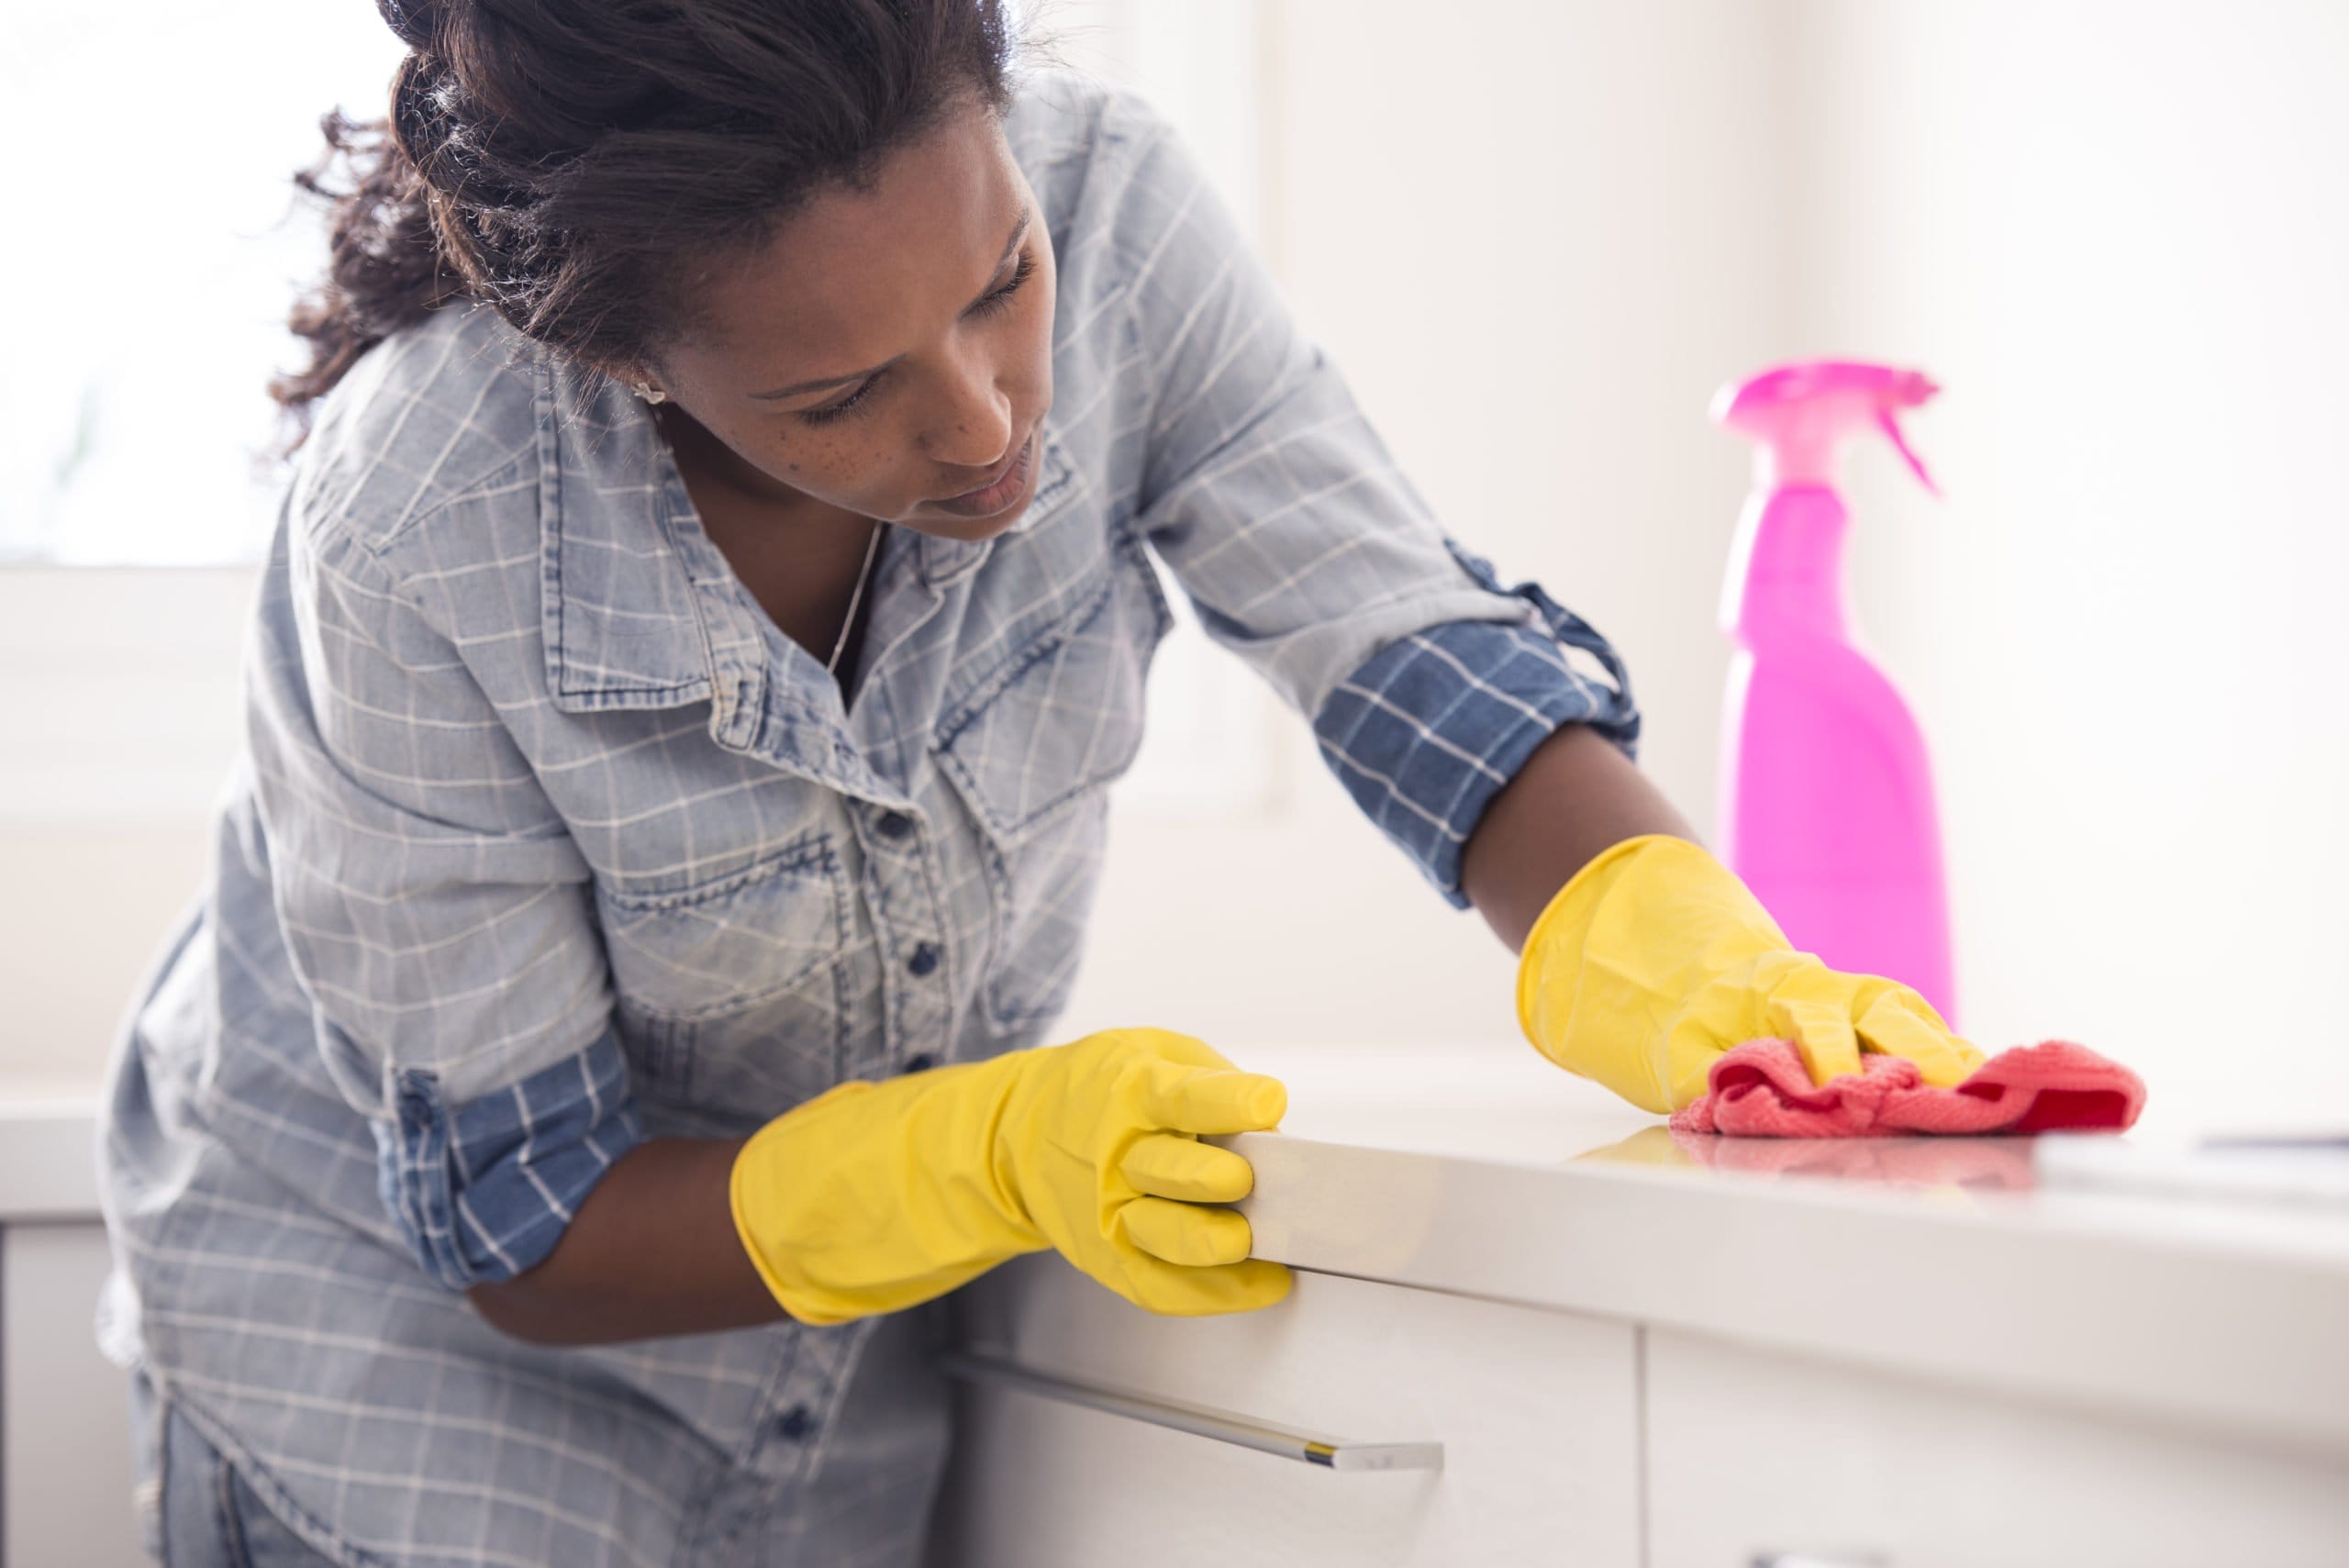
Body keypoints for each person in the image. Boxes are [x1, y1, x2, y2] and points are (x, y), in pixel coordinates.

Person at [93, 2, 1982, 1563]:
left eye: (1000, 282)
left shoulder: (1113, 194)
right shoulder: (421, 519)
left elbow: (1396, 640)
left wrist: (1660, 943)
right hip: (391, 1390)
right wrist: (976, 1157)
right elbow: (520, 1221)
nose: (988, 422)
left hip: (823, 1396)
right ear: (622, 359)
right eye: (837, 398)